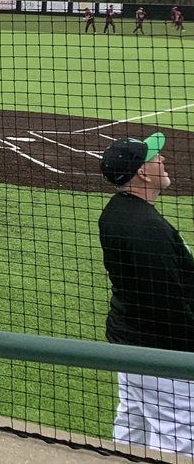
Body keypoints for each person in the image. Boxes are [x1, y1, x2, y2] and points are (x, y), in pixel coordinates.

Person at [98, 132, 194, 453]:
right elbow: (167, 302)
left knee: (131, 426)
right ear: (142, 171)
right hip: (163, 356)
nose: (163, 159)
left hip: (128, 344)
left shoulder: (115, 211)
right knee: (178, 437)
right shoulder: (147, 229)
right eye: (155, 157)